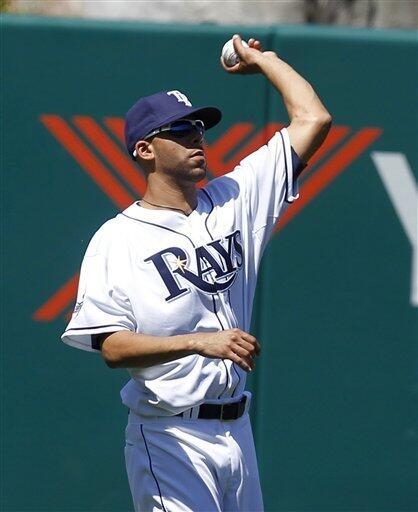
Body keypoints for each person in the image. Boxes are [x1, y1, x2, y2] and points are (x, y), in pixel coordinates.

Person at [62, 35, 331, 512]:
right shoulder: (118, 238)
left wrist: (265, 61)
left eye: (199, 129)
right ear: (145, 150)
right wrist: (197, 341)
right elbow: (112, 346)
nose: (197, 139)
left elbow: (314, 119)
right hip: (169, 435)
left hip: (237, 432)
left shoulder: (235, 200)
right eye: (181, 131)